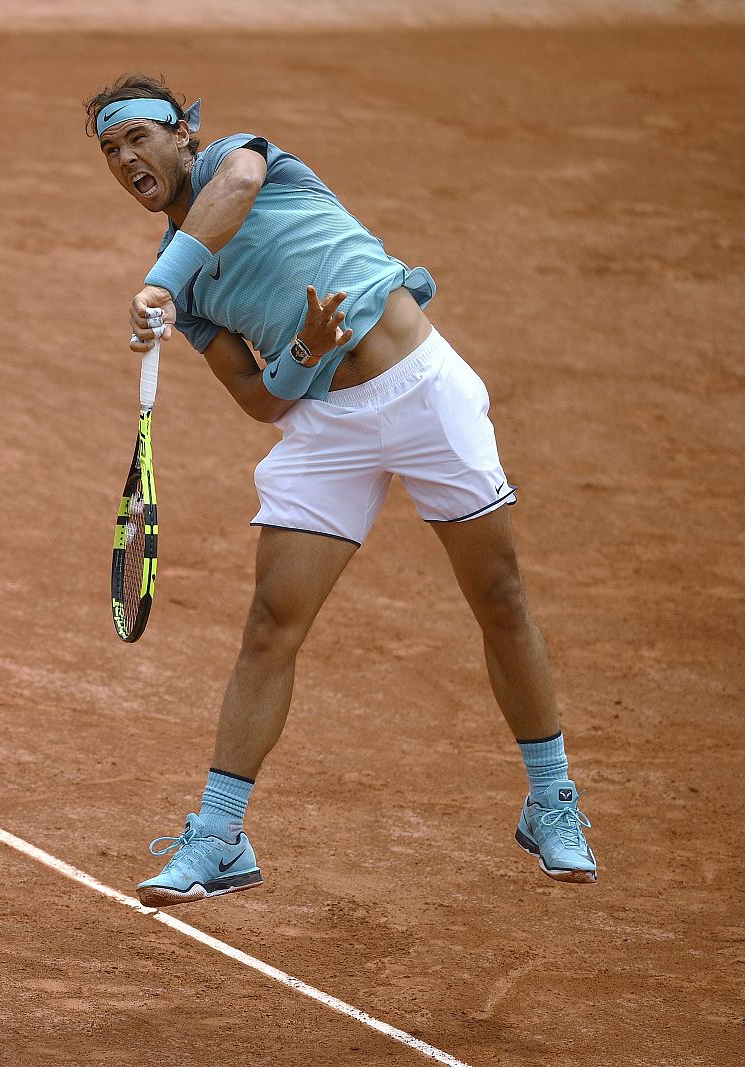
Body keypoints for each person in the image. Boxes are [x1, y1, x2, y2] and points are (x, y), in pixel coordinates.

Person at [85, 73, 597, 907]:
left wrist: (162, 285)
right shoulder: (181, 289)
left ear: (187, 135)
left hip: (422, 390)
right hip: (327, 429)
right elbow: (259, 398)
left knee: (499, 595)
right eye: (110, 149)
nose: (125, 157)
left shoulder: (245, 164)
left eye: (139, 135)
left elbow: (237, 186)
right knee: (269, 625)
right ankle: (219, 836)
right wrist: (304, 352)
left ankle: (552, 802)